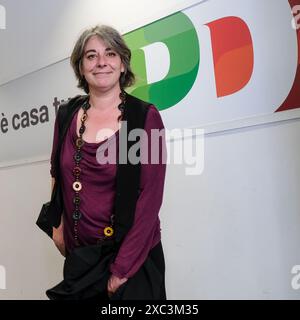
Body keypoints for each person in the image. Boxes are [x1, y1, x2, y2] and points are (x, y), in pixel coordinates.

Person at [37, 25, 167, 300]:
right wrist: (57, 228)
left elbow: (150, 199)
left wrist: (121, 271)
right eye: (91, 56)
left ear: (122, 63)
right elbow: (56, 173)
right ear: (81, 67)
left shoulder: (146, 117)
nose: (101, 62)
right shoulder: (66, 114)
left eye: (110, 53)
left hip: (130, 264)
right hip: (81, 261)